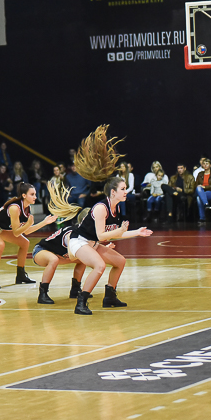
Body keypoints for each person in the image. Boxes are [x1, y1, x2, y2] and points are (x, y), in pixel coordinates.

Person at [69, 126, 152, 315]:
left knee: (120, 261)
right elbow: (101, 235)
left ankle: (110, 297)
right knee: (99, 266)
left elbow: (116, 234)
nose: (126, 191)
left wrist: (137, 232)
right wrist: (120, 231)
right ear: (113, 192)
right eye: (123, 189)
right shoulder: (101, 208)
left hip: (92, 243)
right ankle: (81, 302)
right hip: (79, 242)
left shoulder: (116, 208)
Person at [0, 183, 58, 289]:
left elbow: (27, 231)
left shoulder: (27, 208)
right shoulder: (15, 208)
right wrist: (28, 224)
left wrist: (44, 222)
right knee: (0, 244)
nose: (35, 197)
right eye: (32, 194)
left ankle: (20, 275)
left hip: (2, 228)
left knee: (25, 243)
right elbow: (16, 232)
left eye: (35, 194)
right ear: (24, 195)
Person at [195, 158, 211, 223]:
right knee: (198, 190)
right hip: (201, 191)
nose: (205, 165)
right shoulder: (200, 174)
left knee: (199, 198)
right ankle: (206, 204)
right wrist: (201, 187)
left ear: (210, 165)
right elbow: (196, 184)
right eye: (204, 164)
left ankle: (202, 218)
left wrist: (205, 187)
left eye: (207, 164)